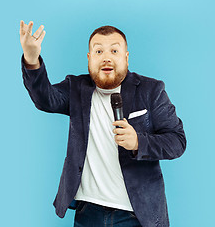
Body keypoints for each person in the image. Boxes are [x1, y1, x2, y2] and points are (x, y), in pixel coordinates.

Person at [19, 20, 187, 227]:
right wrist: (31, 58)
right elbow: (45, 99)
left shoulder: (151, 90)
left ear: (126, 57)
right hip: (88, 212)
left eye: (114, 51)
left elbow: (177, 141)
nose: (106, 57)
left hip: (137, 215)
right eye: (98, 52)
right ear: (89, 59)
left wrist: (138, 142)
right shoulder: (76, 88)